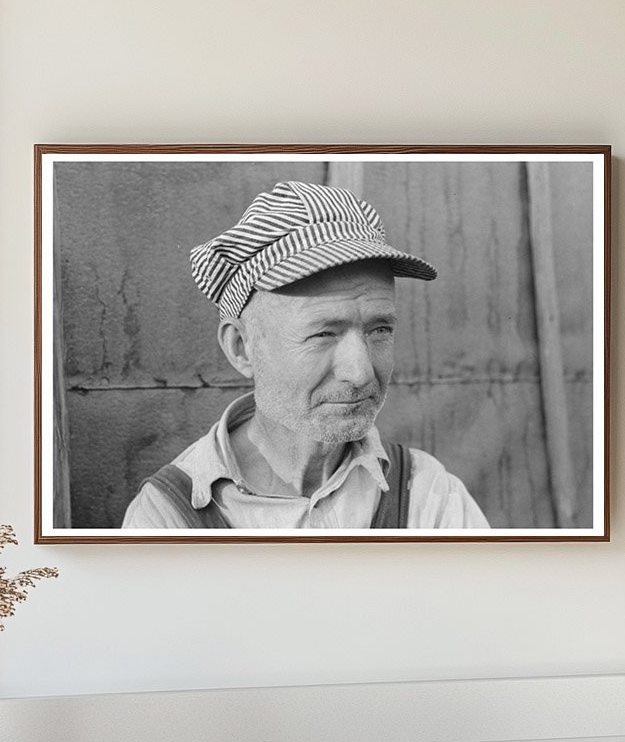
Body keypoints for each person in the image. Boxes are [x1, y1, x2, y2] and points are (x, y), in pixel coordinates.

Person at [122, 180, 489, 530]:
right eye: (323, 334)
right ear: (241, 348)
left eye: (379, 330)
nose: (361, 373)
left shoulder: (429, 497)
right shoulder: (166, 518)